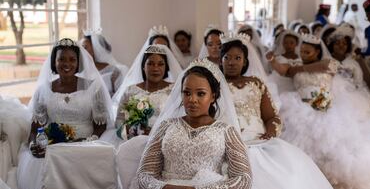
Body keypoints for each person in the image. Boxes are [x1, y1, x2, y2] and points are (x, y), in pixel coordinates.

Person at [267, 34, 370, 189]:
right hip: (301, 107)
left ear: (317, 52)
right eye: (302, 51)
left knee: (332, 144)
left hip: (326, 107)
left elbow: (324, 67)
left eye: (307, 52)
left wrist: (298, 69)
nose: (303, 54)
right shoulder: (294, 65)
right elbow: (283, 70)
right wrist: (272, 60)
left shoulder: (329, 63)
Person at [220, 35, 332, 189]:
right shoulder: (214, 85)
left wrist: (271, 132)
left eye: (237, 58)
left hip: (260, 140)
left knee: (289, 175)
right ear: (221, 60)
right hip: (228, 141)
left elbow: (271, 116)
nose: (232, 62)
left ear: (245, 61)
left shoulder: (256, 83)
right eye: (227, 57)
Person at [136, 58, 252, 189]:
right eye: (187, 93)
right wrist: (166, 187)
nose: (192, 100)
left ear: (213, 96)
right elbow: (144, 175)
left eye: (200, 94)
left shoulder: (226, 131)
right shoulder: (166, 126)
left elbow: (243, 179)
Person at [17, 38, 114, 189]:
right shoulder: (44, 90)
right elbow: (35, 128)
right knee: (42, 160)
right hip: (54, 145)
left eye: (72, 59)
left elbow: (100, 126)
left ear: (78, 62)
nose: (67, 64)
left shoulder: (94, 88)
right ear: (54, 62)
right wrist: (32, 144)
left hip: (87, 144)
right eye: (61, 59)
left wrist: (88, 141)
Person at [115, 45, 178, 139]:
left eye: (160, 64)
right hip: (135, 140)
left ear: (166, 67)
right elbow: (119, 120)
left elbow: (180, 119)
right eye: (151, 64)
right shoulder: (130, 90)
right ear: (143, 66)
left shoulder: (174, 90)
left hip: (165, 140)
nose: (155, 68)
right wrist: (135, 129)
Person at [81, 32, 127, 97]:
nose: (82, 50)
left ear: (95, 49)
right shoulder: (81, 71)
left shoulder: (113, 71)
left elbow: (120, 97)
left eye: (85, 47)